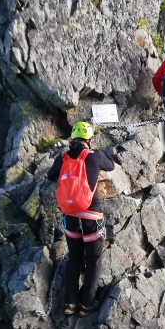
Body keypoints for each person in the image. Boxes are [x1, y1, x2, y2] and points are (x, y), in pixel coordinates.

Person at [47, 121, 114, 316]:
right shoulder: (95, 155)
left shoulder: (63, 157)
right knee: (93, 259)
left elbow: (51, 176)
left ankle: (70, 303)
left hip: (70, 218)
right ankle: (87, 304)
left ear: (73, 138)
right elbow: (111, 166)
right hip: (91, 216)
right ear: (90, 140)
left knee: (74, 258)